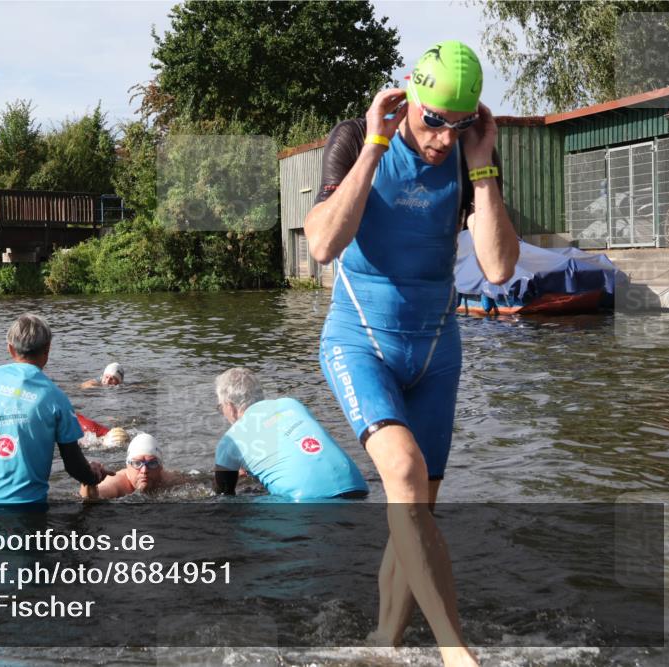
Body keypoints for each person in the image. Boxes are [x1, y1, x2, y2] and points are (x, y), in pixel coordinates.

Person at [304, 41, 518, 666]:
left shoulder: (469, 152)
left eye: (460, 124)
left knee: (415, 511)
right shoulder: (355, 138)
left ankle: (385, 646)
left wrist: (482, 166)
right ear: (408, 95)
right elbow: (322, 245)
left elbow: (499, 268)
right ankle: (458, 654)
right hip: (359, 340)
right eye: (433, 121)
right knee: (402, 472)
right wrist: (375, 146)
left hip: (435, 351)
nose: (444, 139)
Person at [0, 313, 112, 507]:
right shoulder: (56, 397)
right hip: (27, 508)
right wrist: (94, 476)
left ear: (10, 348)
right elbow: (73, 465)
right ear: (47, 349)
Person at [211, 368, 368, 499]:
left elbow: (224, 494)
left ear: (230, 406)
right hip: (357, 489)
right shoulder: (292, 404)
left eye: (220, 407)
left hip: (309, 503)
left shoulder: (230, 440)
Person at [81, 433, 184, 500]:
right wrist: (90, 480)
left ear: (160, 467)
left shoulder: (171, 480)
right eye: (137, 463)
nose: (144, 470)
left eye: (152, 463)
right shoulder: (117, 483)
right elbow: (92, 497)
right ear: (127, 465)